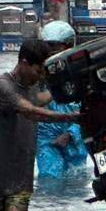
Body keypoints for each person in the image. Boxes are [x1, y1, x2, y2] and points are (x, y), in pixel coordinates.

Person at [0, 39, 80, 211]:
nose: (40, 78)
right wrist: (71, 117)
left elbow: (44, 99)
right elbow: (32, 111)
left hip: (20, 177)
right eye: (38, 71)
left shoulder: (30, 89)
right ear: (24, 63)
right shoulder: (2, 87)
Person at [36, 21, 88, 180]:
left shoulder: (81, 72)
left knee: (77, 178)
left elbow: (88, 108)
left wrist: (70, 134)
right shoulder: (37, 73)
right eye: (48, 47)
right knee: (50, 178)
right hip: (46, 138)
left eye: (56, 46)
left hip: (75, 136)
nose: (51, 52)